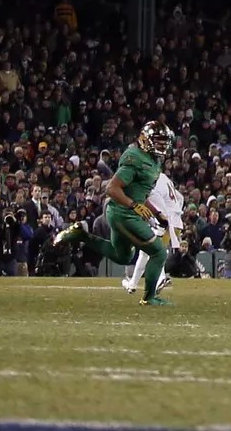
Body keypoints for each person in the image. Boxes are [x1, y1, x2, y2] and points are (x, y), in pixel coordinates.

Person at [51, 120, 176, 307]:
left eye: (164, 142)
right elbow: (111, 188)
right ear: (145, 140)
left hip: (125, 212)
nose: (162, 146)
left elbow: (138, 193)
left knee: (123, 256)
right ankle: (149, 297)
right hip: (123, 213)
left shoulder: (153, 160)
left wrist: (157, 213)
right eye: (158, 141)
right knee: (158, 252)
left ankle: (81, 235)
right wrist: (133, 205)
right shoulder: (135, 158)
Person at [120, 167, 184, 295]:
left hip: (165, 222)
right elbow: (180, 197)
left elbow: (154, 204)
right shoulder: (164, 178)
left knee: (154, 251)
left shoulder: (151, 183)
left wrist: (163, 219)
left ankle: (161, 278)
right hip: (176, 222)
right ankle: (132, 284)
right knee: (145, 252)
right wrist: (176, 213)